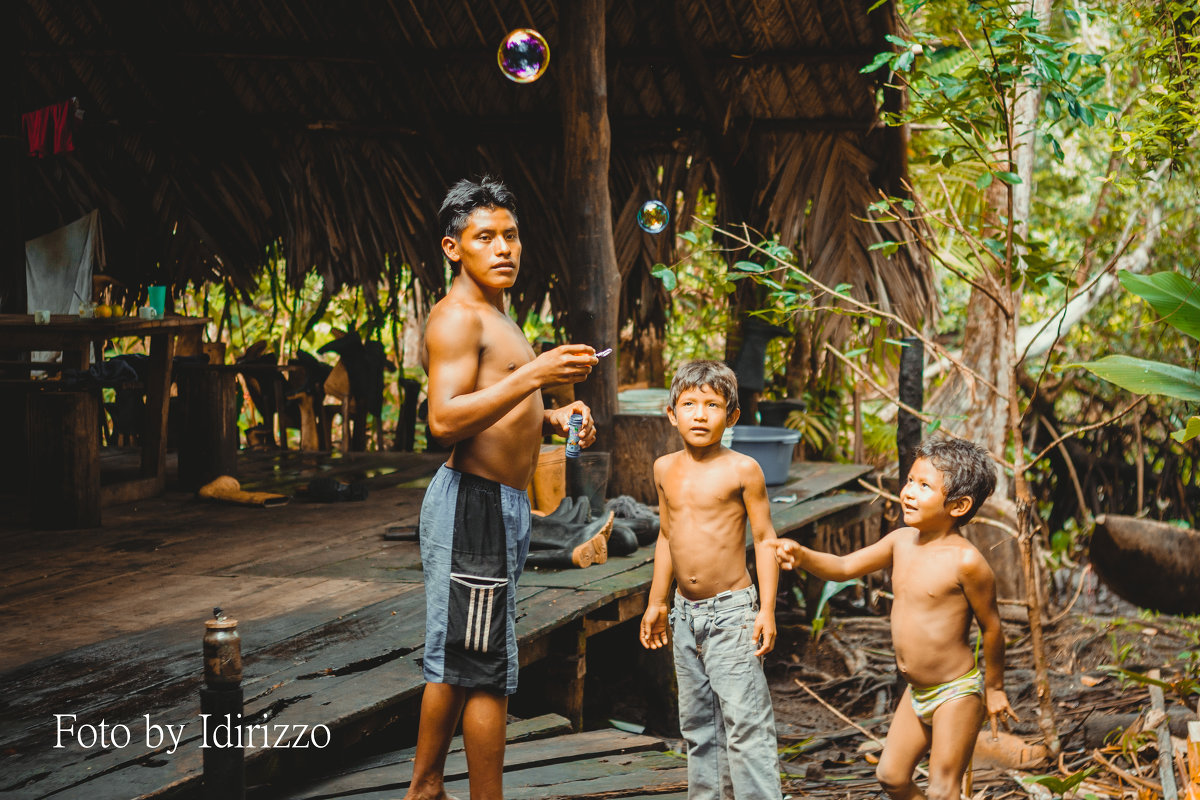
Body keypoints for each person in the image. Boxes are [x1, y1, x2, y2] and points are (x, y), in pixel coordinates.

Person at [404, 176, 599, 800]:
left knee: (468, 657)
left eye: (510, 235)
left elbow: (501, 401)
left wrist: (552, 414)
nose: (503, 247)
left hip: (501, 507)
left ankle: (425, 786)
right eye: (484, 237)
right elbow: (442, 420)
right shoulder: (458, 318)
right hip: (475, 506)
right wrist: (539, 373)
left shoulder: (498, 315)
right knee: (484, 671)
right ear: (452, 247)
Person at [770, 437, 1018, 800]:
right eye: (910, 481)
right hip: (916, 691)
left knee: (942, 790)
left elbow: (993, 628)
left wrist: (995, 688)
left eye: (924, 486)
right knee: (891, 776)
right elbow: (844, 566)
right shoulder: (901, 541)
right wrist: (803, 555)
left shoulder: (967, 562)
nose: (909, 493)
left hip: (956, 692)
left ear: (959, 505)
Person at [639, 360, 783, 800]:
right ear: (671, 413)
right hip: (685, 616)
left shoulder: (743, 469)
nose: (700, 414)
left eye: (712, 405)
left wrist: (767, 610)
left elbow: (764, 539)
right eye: (689, 404)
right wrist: (657, 602)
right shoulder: (664, 468)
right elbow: (666, 536)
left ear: (732, 416)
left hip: (733, 614)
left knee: (746, 726)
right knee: (699, 727)